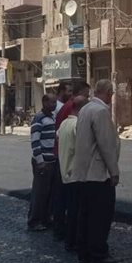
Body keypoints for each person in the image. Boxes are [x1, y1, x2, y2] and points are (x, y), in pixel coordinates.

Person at [73, 79, 121, 263]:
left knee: (85, 214)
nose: (111, 97)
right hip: (98, 173)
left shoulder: (85, 109)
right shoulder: (100, 111)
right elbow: (106, 144)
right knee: (100, 216)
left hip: (83, 172)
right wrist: (114, 171)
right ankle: (98, 252)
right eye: (111, 93)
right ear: (108, 93)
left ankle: (84, 251)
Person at [53, 81, 90, 247]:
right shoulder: (72, 115)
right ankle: (70, 236)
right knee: (72, 204)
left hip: (63, 162)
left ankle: (61, 231)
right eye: (87, 95)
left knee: (62, 200)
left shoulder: (65, 115)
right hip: (71, 168)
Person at [27, 94, 57, 232]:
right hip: (43, 162)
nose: (54, 105)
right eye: (52, 102)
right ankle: (34, 221)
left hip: (52, 160)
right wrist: (40, 161)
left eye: (55, 102)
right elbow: (35, 141)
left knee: (49, 193)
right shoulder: (39, 119)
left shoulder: (52, 117)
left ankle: (45, 219)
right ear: (44, 102)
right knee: (39, 193)